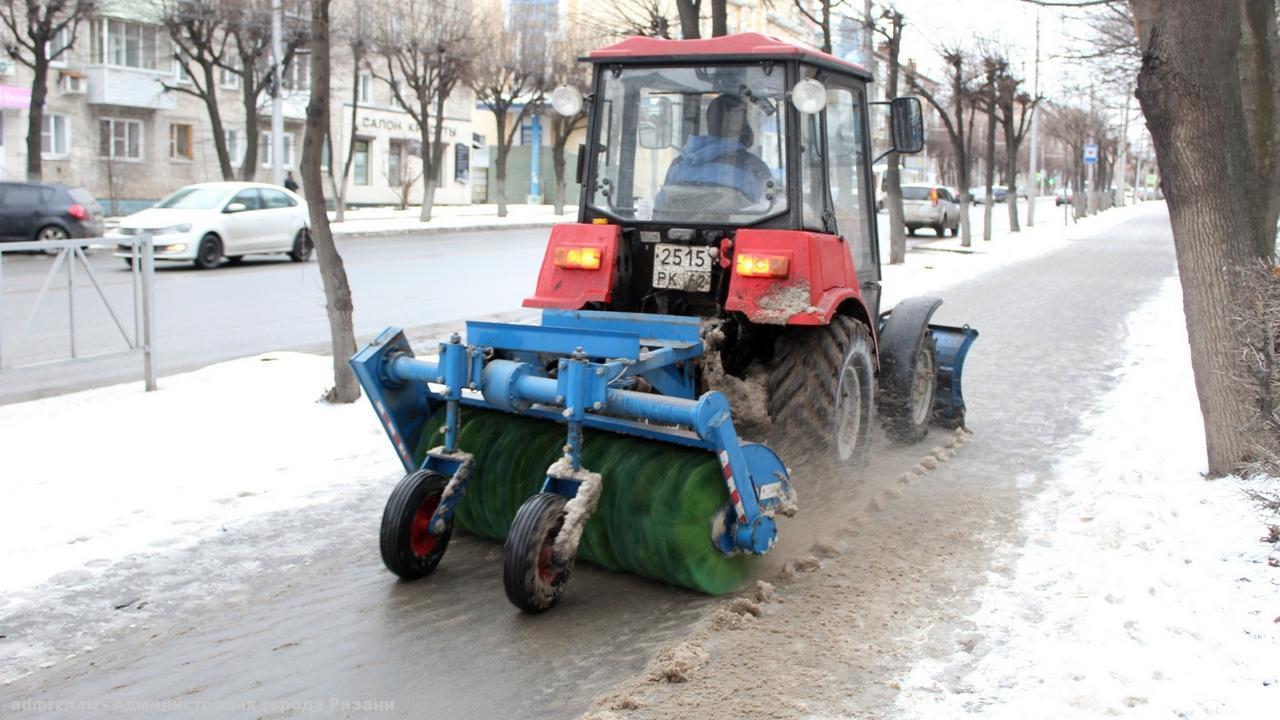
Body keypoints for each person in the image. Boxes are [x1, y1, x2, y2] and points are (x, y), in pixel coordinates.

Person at [657, 93, 774, 207]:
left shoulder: (678, 164)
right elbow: (771, 209)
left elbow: (660, 210)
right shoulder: (753, 167)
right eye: (740, 114)